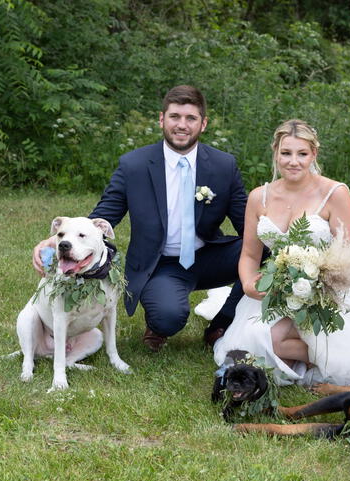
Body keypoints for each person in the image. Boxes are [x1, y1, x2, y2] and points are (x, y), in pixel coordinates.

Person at [32, 85, 246, 351]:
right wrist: (51, 241)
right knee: (168, 318)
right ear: (161, 119)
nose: (182, 125)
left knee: (268, 253)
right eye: (175, 117)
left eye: (191, 118)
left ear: (203, 124)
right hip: (162, 264)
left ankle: (221, 323)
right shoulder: (134, 165)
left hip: (209, 254)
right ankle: (158, 317)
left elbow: (247, 225)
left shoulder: (224, 165)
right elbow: (102, 215)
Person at [213, 119, 350, 386]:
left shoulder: (334, 193)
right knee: (255, 341)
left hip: (328, 290)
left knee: (276, 344)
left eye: (302, 154)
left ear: (313, 154)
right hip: (278, 288)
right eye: (286, 153)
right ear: (276, 153)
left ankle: (335, 353)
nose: (293, 161)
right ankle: (314, 355)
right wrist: (248, 282)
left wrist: (317, 282)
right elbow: (249, 254)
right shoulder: (260, 197)